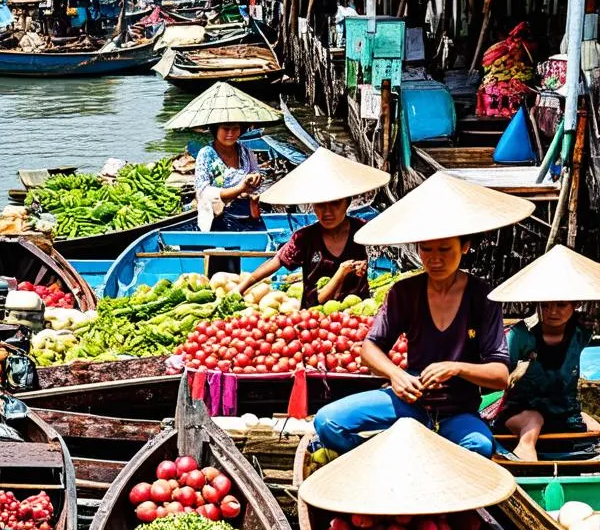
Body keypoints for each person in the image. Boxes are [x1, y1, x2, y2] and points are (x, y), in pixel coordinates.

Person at [312, 172, 535, 456]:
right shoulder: (404, 292)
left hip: (457, 411)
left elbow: (500, 375)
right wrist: (395, 375)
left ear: (465, 247)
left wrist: (456, 368)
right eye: (427, 249)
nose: (435, 258)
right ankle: (380, 459)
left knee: (479, 446)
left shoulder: (482, 297)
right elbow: (369, 349)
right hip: (409, 401)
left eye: (445, 249)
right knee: (328, 422)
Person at [237, 147, 390, 307]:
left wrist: (364, 265)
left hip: (355, 317)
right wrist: (241, 288)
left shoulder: (362, 231)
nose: (328, 212)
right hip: (312, 320)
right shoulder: (304, 238)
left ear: (347, 203)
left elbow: (390, 245)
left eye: (335, 203)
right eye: (321, 205)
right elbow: (277, 261)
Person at [499, 303, 599, 460]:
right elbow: (500, 376)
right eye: (545, 305)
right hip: (521, 412)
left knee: (595, 430)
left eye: (561, 305)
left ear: (575, 304)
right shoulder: (520, 335)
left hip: (564, 413)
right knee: (533, 423)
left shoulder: (581, 333)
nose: (553, 311)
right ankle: (528, 471)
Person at [193, 120, 265, 232]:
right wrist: (240, 188)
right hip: (217, 219)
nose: (230, 133)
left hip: (248, 215)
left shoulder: (245, 152)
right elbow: (204, 192)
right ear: (215, 129)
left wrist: (255, 179)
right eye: (226, 129)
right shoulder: (206, 154)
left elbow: (256, 174)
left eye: (235, 129)